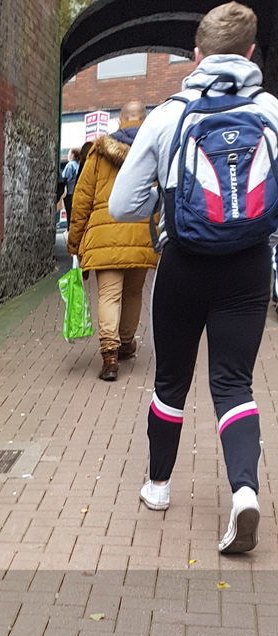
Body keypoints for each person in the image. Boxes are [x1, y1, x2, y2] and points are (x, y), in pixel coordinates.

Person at [110, 2, 278, 553]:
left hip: (184, 264)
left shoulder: (167, 115)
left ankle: (158, 486)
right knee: (234, 382)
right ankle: (246, 492)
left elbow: (122, 206)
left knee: (172, 380)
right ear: (251, 54)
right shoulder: (271, 111)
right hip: (249, 266)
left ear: (198, 56)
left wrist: (165, 200)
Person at [67, 102, 159, 381]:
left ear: (120, 121)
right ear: (144, 121)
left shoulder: (97, 151)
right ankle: (126, 343)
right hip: (140, 233)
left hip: (104, 236)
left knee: (109, 295)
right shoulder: (153, 151)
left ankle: (109, 354)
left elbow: (82, 198)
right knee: (133, 294)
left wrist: (74, 242)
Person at [61, 148, 80, 222]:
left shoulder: (70, 165)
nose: (68, 155)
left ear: (72, 155)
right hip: (77, 192)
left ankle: (69, 229)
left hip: (69, 192)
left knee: (69, 213)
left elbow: (65, 178)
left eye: (69, 153)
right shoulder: (79, 165)